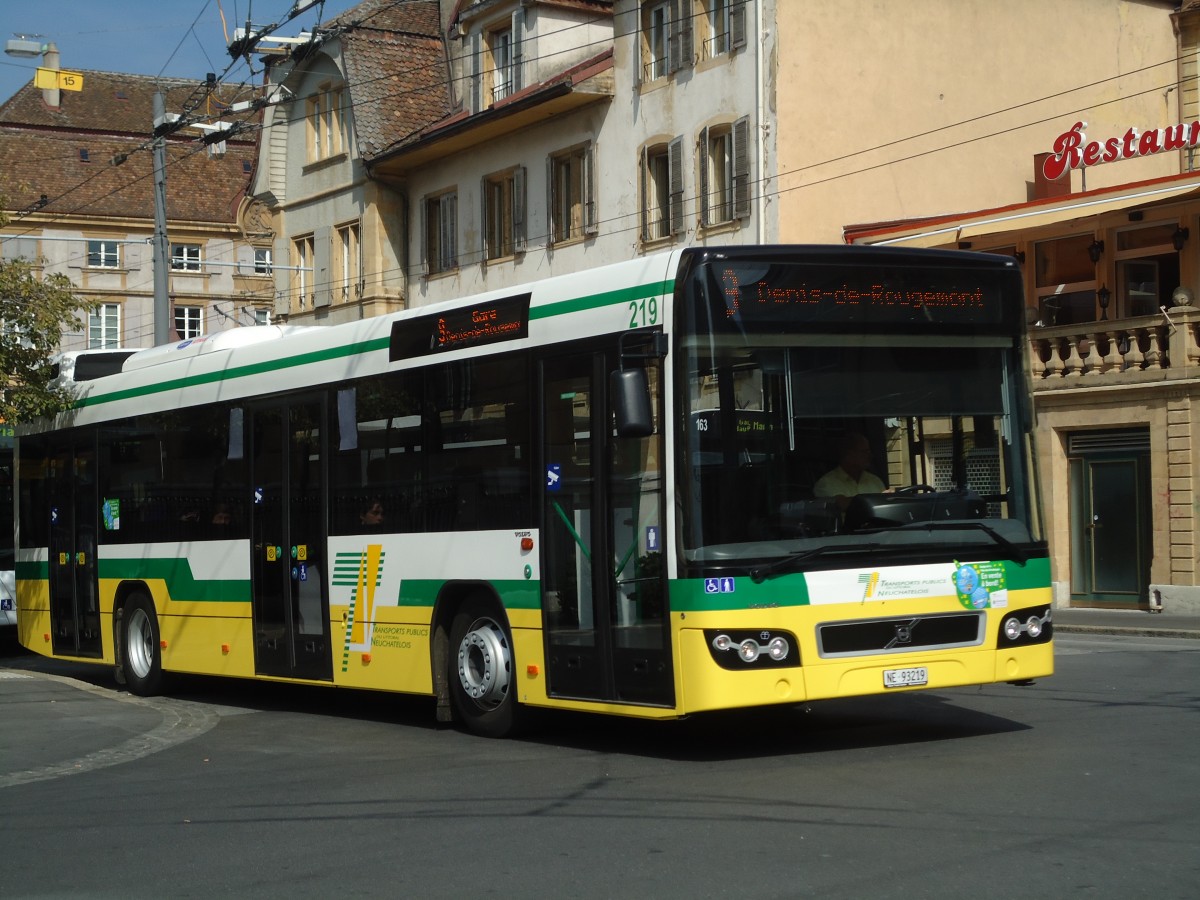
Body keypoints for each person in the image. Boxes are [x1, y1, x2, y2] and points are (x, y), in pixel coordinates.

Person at [814, 431, 885, 510]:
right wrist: (879, 499)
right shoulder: (826, 484)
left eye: (869, 451)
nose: (870, 455)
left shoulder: (875, 481)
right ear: (848, 454)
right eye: (865, 452)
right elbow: (842, 504)